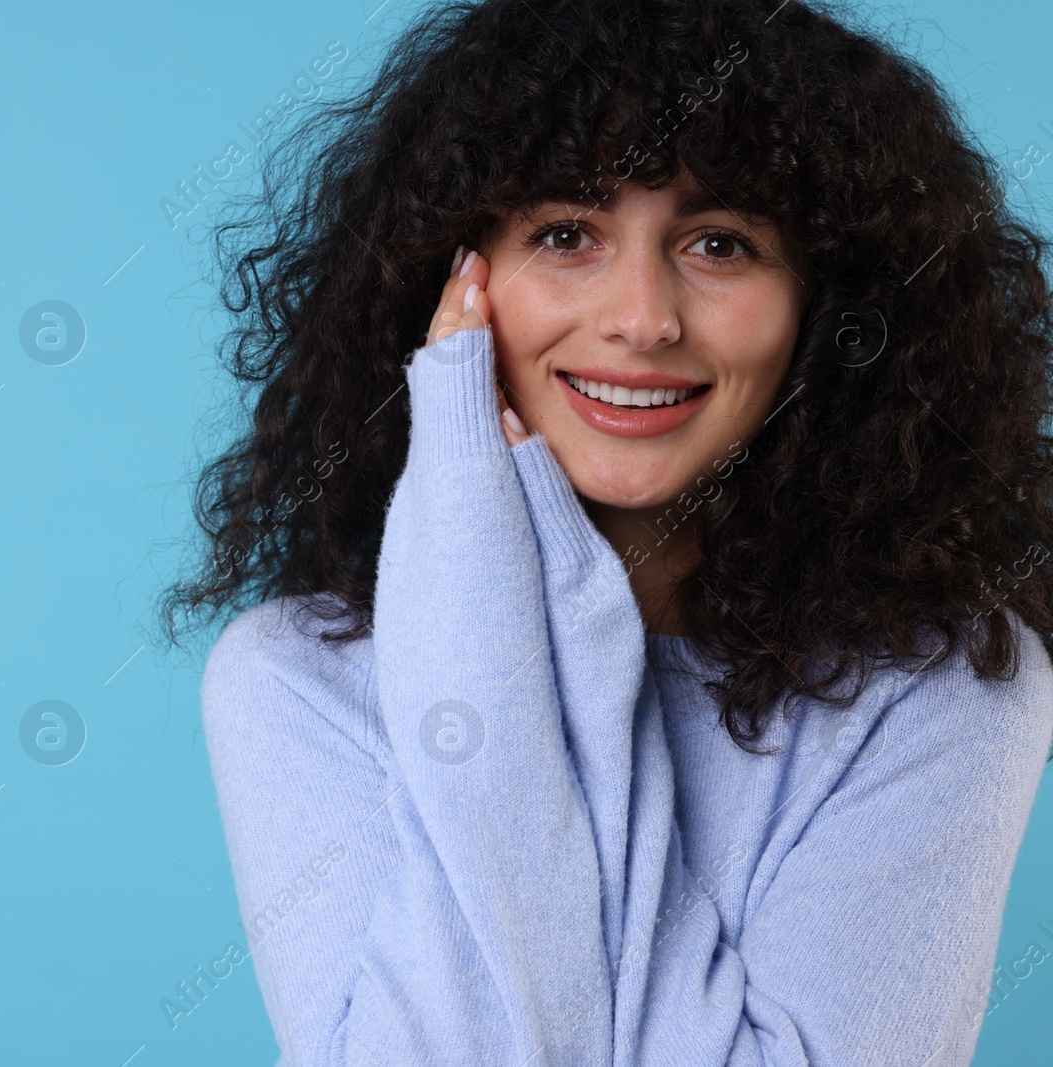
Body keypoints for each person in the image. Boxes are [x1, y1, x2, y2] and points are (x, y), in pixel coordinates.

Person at [159, 0, 1053, 1062]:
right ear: (448, 279)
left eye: (719, 243)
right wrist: (475, 535)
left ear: (826, 305)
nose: (641, 316)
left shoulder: (939, 687)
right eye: (565, 234)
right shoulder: (299, 679)